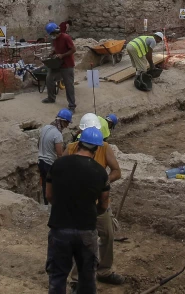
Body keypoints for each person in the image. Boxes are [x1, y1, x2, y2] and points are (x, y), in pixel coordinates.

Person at [46, 126, 111, 294]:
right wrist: (93, 213)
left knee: (57, 277)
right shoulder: (100, 172)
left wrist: (62, 207)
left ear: (79, 144)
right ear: (96, 149)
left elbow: (49, 195)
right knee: (87, 278)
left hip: (59, 228)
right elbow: (104, 204)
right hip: (86, 230)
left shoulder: (58, 164)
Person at [65, 114, 123, 287]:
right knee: (80, 240)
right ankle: (76, 279)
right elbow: (61, 171)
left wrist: (103, 181)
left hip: (99, 203)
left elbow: (116, 171)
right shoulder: (71, 148)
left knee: (108, 235)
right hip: (78, 205)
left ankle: (104, 270)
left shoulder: (104, 148)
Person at [38, 109, 73, 205]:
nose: (67, 125)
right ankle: (54, 205)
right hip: (49, 164)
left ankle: (46, 204)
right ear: (62, 121)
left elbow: (39, 143)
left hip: (40, 161)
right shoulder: (57, 134)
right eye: (67, 123)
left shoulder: (45, 127)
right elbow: (59, 154)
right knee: (54, 186)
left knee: (45, 185)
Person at [43, 21, 77, 111]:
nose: (51, 36)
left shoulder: (66, 37)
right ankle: (51, 98)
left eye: (52, 34)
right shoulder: (55, 39)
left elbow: (73, 50)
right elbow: (56, 48)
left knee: (68, 85)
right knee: (49, 78)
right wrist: (53, 53)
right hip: (57, 64)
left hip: (67, 65)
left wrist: (62, 55)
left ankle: (72, 105)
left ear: (56, 32)